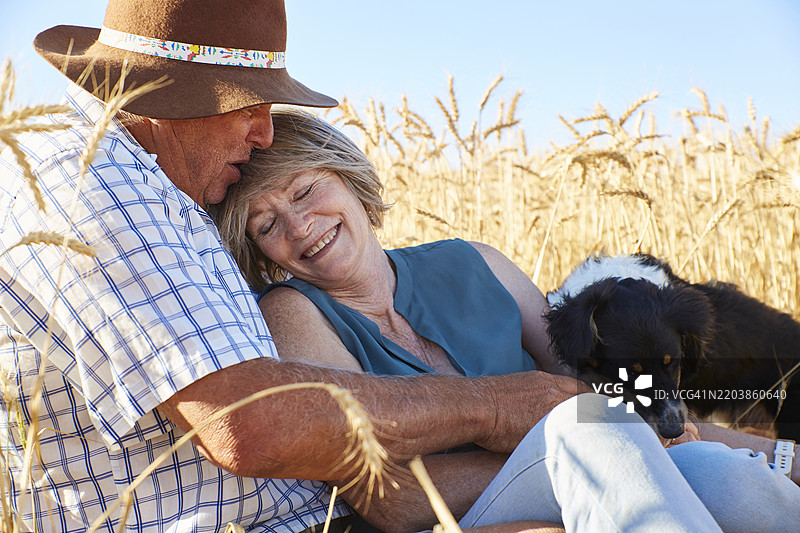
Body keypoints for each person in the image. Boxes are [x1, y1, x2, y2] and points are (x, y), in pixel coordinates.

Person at [0, 1, 622, 532]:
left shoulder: (152, 187)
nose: (265, 134)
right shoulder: (92, 186)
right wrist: (501, 410)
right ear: (172, 97)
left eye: (304, 191)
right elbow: (247, 425)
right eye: (250, 105)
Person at [211, 107, 800, 533]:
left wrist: (781, 457)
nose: (299, 227)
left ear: (348, 177)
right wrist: (561, 448)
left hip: (599, 461)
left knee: (732, 480)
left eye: (305, 192)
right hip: (461, 515)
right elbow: (390, 496)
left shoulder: (476, 262)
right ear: (259, 251)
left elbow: (614, 401)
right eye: (267, 225)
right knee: (584, 431)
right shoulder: (294, 313)